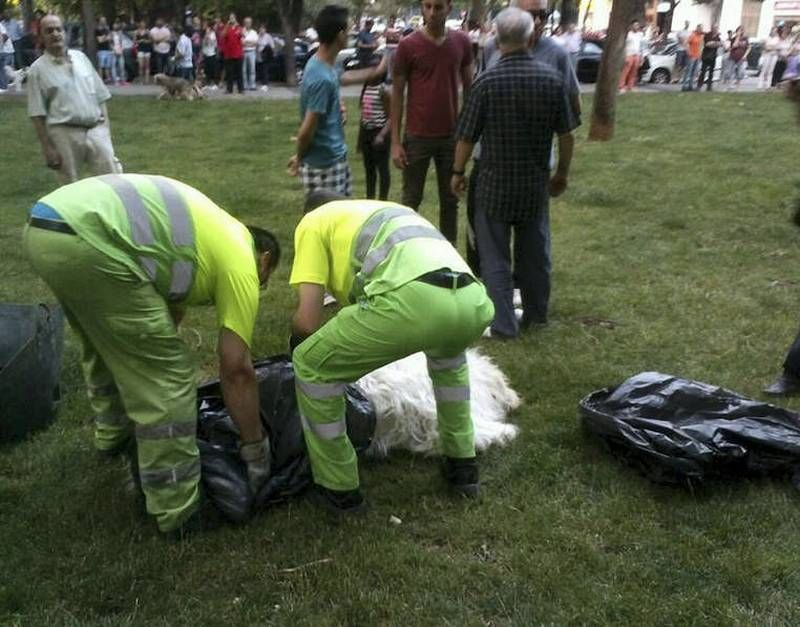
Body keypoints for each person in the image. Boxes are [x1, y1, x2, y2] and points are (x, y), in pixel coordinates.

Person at [23, 173, 280, 537]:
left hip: (45, 227)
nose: (260, 287)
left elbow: (166, 307)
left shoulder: (209, 231)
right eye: (264, 281)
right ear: (265, 259)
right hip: (91, 241)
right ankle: (177, 507)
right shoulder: (242, 258)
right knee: (168, 377)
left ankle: (113, 436)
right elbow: (236, 368)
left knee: (105, 344)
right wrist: (255, 448)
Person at [289, 192, 494, 512]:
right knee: (449, 364)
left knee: (312, 365)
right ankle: (463, 467)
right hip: (473, 301)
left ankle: (339, 490)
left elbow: (307, 320)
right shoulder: (386, 212)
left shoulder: (313, 223)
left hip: (411, 303)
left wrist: (298, 348)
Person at [452, 8, 576, 339]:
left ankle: (503, 323)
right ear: (528, 35)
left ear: (496, 36)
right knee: (535, 253)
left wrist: (457, 172)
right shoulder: (551, 80)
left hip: (494, 184)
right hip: (534, 184)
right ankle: (536, 315)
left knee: (494, 257)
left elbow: (466, 136)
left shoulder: (486, 82)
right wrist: (561, 173)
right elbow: (566, 135)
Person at [468, 0, 581, 278]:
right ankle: (485, 288)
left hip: (533, 163)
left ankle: (525, 295)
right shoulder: (493, 47)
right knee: (485, 233)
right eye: (531, 15)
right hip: (491, 161)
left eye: (542, 15)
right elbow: (480, 98)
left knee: (532, 239)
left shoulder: (556, 54)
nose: (538, 21)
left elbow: (572, 109)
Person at [390, 0, 474, 245]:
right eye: (427, 6)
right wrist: (396, 141)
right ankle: (407, 253)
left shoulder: (462, 42)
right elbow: (397, 94)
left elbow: (470, 90)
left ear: (449, 7)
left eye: (438, 7)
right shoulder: (408, 46)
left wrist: (468, 133)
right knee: (410, 201)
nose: (432, 13)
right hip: (417, 136)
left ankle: (448, 262)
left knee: (450, 201)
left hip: (451, 137)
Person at [287, 5, 385, 198]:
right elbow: (307, 130)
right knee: (328, 226)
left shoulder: (322, 63)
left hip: (334, 159)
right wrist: (299, 157)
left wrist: (377, 71)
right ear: (340, 35)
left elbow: (343, 77)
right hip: (325, 166)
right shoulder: (320, 76)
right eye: (348, 30)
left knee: (343, 219)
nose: (350, 34)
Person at [27, 15, 122, 184]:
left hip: (96, 129)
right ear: (41, 37)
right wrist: (48, 148)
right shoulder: (37, 70)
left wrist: (105, 128)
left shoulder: (81, 58)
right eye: (49, 31)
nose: (55, 34)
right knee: (69, 186)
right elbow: (36, 113)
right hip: (64, 133)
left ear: (65, 32)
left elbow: (101, 95)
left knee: (113, 180)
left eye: (59, 29)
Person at [358, 60, 391, 199]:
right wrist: (360, 140)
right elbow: (364, 115)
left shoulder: (383, 90)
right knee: (369, 169)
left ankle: (383, 199)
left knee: (382, 169)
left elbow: (391, 117)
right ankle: (370, 198)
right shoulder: (366, 88)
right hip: (367, 132)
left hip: (379, 132)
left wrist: (382, 136)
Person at [220, 13, 243, 94]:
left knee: (239, 73)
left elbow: (243, 35)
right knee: (229, 73)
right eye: (230, 18)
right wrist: (227, 26)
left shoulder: (239, 27)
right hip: (228, 54)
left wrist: (237, 26)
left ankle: (241, 89)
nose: (231, 19)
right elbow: (222, 36)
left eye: (233, 17)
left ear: (235, 18)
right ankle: (229, 89)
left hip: (238, 54)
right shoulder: (227, 28)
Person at [618, 20, 643, 93]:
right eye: (635, 25)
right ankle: (621, 86)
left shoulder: (640, 35)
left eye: (637, 25)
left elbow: (641, 46)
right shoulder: (628, 34)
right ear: (632, 26)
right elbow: (624, 45)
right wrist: (625, 55)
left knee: (634, 72)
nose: (636, 27)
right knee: (626, 70)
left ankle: (630, 86)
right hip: (629, 54)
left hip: (637, 54)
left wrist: (641, 56)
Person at [697, 25, 721, 91]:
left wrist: (713, 44)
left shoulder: (718, 37)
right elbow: (707, 44)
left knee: (711, 72)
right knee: (703, 71)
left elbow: (719, 44)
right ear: (712, 28)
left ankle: (709, 86)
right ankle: (699, 85)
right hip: (706, 56)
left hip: (713, 56)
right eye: (714, 28)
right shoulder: (707, 35)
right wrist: (714, 44)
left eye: (717, 28)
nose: (716, 29)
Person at [681, 24, 704, 91]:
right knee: (688, 71)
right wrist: (688, 51)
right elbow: (686, 43)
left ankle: (690, 85)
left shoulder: (701, 36)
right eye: (700, 28)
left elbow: (701, 45)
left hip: (697, 56)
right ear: (697, 28)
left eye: (702, 29)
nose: (701, 30)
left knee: (694, 72)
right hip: (691, 56)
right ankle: (684, 86)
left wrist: (700, 54)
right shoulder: (692, 35)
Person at [726, 26, 750, 90]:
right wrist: (737, 37)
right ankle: (730, 85)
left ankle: (738, 85)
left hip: (741, 57)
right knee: (731, 71)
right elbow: (734, 45)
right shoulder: (733, 39)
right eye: (738, 30)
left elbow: (748, 48)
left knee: (740, 71)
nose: (740, 32)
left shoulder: (745, 39)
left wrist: (745, 55)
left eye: (741, 30)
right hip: (733, 56)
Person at [241, 17, 258, 90]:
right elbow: (241, 43)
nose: (247, 24)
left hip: (252, 52)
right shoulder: (242, 32)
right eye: (246, 22)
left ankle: (252, 85)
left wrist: (247, 42)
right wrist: (249, 42)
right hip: (243, 52)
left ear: (251, 23)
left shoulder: (254, 32)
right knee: (243, 69)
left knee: (252, 69)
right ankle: (245, 85)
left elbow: (255, 43)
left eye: (249, 22)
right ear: (244, 23)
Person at [256, 25, 274, 90]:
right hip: (258, 55)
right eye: (260, 30)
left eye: (262, 29)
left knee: (265, 70)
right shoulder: (257, 36)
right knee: (260, 70)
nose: (261, 31)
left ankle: (265, 84)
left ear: (265, 30)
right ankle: (262, 83)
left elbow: (272, 46)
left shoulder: (268, 37)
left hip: (265, 55)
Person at [202, 20, 219, 87]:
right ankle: (207, 83)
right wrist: (206, 36)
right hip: (206, 53)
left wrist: (208, 36)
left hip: (212, 53)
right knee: (207, 70)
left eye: (205, 26)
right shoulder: (204, 34)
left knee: (213, 69)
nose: (204, 27)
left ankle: (215, 83)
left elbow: (213, 43)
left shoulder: (213, 34)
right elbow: (204, 44)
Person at [96, 16, 113, 83]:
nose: (104, 22)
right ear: (100, 21)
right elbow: (99, 40)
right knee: (101, 66)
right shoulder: (97, 30)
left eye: (105, 20)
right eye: (102, 20)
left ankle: (108, 79)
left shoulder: (107, 29)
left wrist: (105, 38)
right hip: (101, 50)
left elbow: (110, 38)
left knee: (107, 66)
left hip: (108, 50)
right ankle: (100, 79)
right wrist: (106, 37)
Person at [110, 20, 127, 85]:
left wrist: (121, 49)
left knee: (121, 65)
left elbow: (122, 42)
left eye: (116, 25)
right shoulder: (111, 33)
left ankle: (122, 80)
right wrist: (113, 49)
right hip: (114, 51)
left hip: (120, 50)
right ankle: (115, 81)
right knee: (113, 66)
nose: (115, 26)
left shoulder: (120, 33)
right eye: (114, 25)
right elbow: (110, 43)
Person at [0, 18, 13, 92]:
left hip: (5, 51)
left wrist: (1, 46)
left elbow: (5, 36)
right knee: (2, 69)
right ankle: (4, 86)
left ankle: (3, 87)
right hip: (3, 51)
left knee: (3, 69)